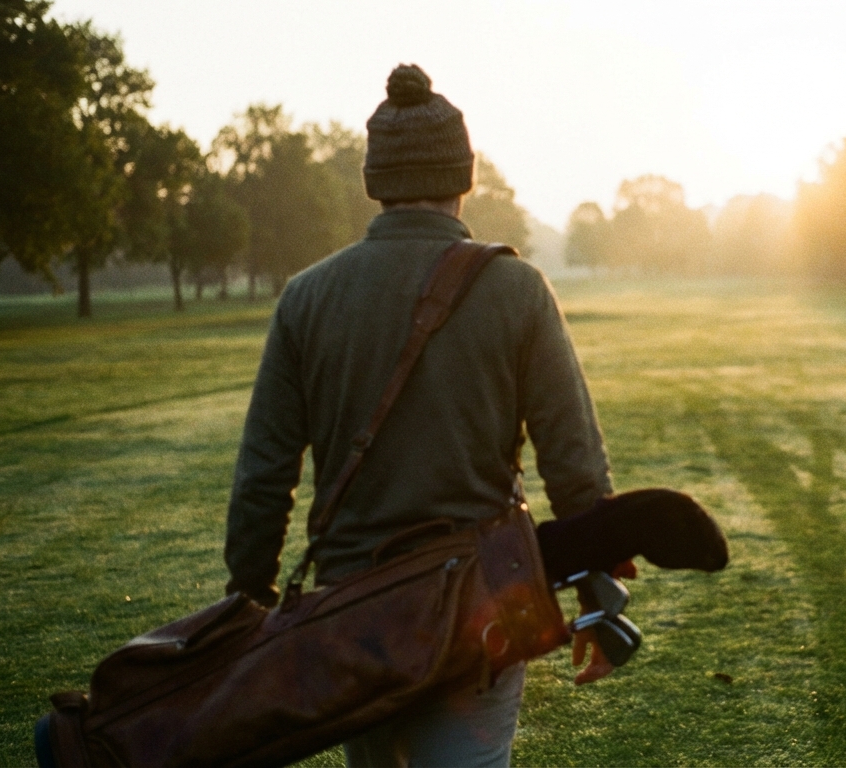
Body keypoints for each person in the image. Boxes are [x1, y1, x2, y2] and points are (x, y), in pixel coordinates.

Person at [222, 63, 622, 768]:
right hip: (481, 607)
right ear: (462, 177)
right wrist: (598, 592)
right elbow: (574, 467)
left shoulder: (306, 297)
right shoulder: (517, 288)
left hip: (353, 616)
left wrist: (246, 599)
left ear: (376, 181)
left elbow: (264, 476)